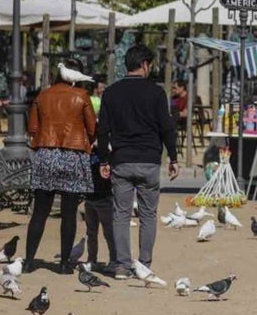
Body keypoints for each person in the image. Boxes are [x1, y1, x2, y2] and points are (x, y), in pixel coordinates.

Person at [97, 44, 179, 278]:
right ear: (144, 65)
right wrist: (173, 157)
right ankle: (144, 264)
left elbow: (103, 130)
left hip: (121, 161)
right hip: (150, 162)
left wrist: (104, 160)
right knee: (148, 215)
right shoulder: (156, 93)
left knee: (121, 214)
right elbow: (166, 127)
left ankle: (122, 265)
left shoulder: (111, 93)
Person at [23, 61, 98, 274]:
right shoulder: (81, 96)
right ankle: (64, 264)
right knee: (69, 212)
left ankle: (29, 261)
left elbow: (33, 128)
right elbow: (92, 128)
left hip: (46, 153)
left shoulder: (43, 96)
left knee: (40, 211)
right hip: (72, 154)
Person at [83, 146, 116, 272]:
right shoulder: (87, 152)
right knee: (91, 232)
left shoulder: (108, 154)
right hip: (90, 199)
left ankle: (114, 259)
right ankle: (92, 259)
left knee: (109, 232)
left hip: (105, 199)